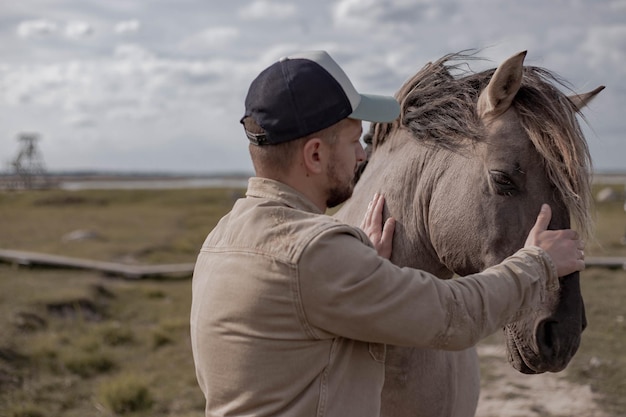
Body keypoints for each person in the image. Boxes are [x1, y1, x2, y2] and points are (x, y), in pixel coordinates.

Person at [190, 50, 585, 417]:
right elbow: (453, 316)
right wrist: (538, 263)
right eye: (352, 142)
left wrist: (365, 271)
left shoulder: (221, 239)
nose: (363, 155)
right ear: (314, 155)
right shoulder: (312, 253)